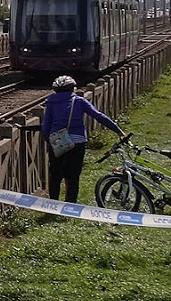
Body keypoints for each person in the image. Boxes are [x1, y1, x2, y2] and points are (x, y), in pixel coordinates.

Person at [40, 75, 122, 204]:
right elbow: (98, 115)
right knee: (72, 175)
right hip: (77, 143)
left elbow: (46, 124)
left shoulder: (51, 101)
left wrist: (48, 139)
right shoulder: (79, 101)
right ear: (72, 88)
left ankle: (53, 204)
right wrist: (117, 130)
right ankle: (70, 205)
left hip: (57, 141)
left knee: (55, 174)